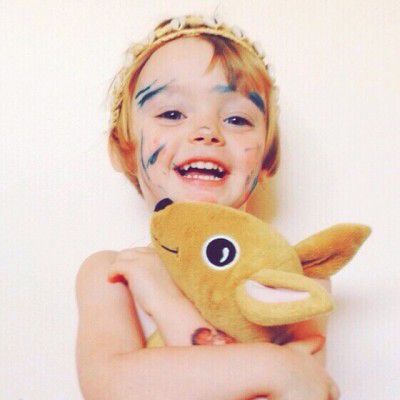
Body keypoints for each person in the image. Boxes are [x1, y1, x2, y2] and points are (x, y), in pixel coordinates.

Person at [75, 14, 340, 400]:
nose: (207, 132)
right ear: (125, 150)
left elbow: (304, 389)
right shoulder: (113, 273)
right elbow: (111, 386)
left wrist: (167, 304)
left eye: (236, 118)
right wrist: (277, 365)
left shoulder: (298, 275)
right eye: (172, 114)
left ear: (267, 159)